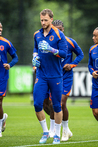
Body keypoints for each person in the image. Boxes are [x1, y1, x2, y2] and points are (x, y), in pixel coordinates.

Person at [32, 9, 67, 144]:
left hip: (56, 75)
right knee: (37, 104)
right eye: (41, 20)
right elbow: (35, 49)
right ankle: (46, 132)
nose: (43, 22)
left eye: (46, 20)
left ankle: (57, 135)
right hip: (41, 74)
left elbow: (64, 53)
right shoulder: (37, 34)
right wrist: (34, 58)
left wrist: (52, 50)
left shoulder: (59, 34)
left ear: (51, 19)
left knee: (57, 106)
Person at [46, 20, 84, 141]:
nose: (58, 31)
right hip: (53, 76)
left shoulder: (70, 42)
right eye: (55, 29)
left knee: (61, 103)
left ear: (63, 29)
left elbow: (80, 54)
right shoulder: (49, 42)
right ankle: (56, 130)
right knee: (52, 104)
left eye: (60, 29)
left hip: (66, 77)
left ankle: (64, 131)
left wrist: (72, 65)